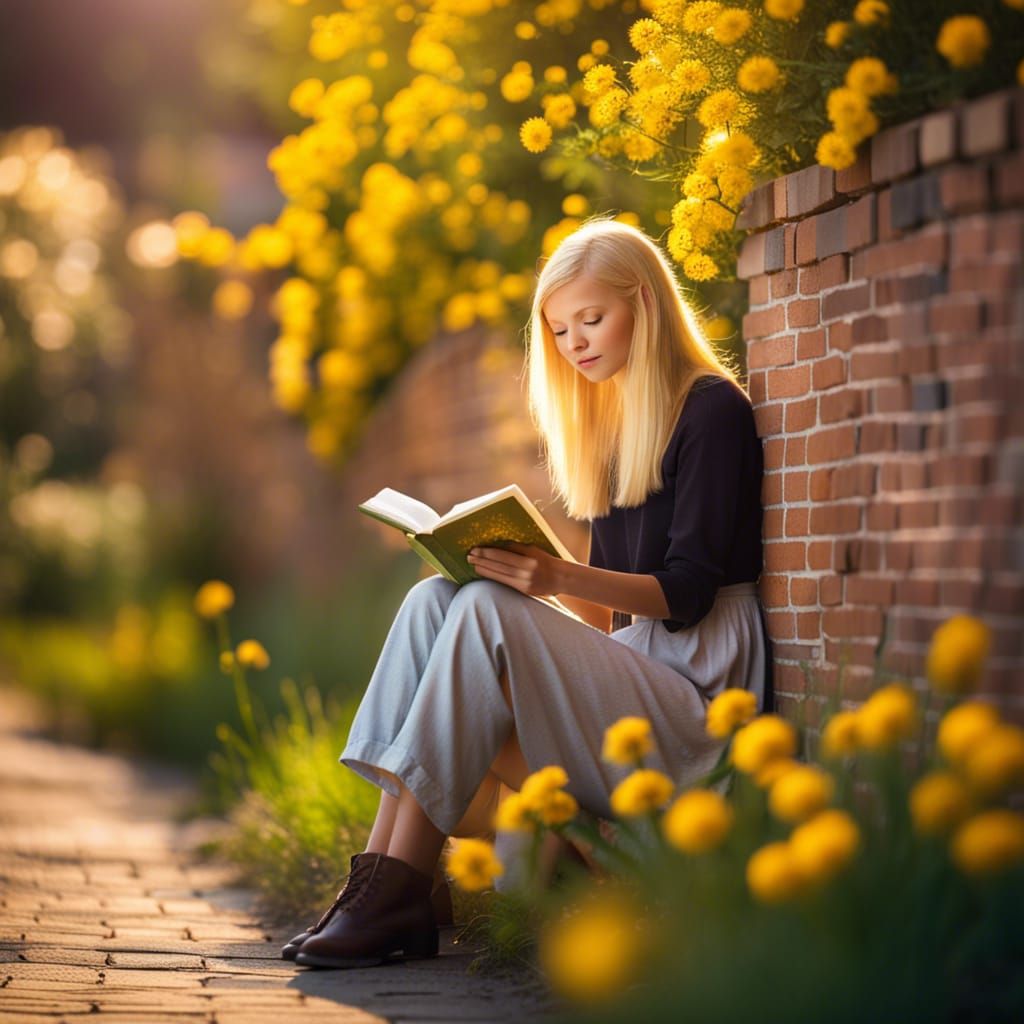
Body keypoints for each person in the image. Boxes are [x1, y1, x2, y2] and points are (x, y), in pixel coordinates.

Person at [285, 215, 770, 970]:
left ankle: (398, 891)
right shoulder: (617, 430)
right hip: (636, 675)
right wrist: (508, 575)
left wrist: (549, 578)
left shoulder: (713, 412)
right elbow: (606, 621)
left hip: (698, 704)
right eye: (559, 330)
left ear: (643, 302)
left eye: (591, 319)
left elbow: (687, 596)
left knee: (483, 613)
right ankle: (388, 880)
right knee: (434, 602)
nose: (575, 343)